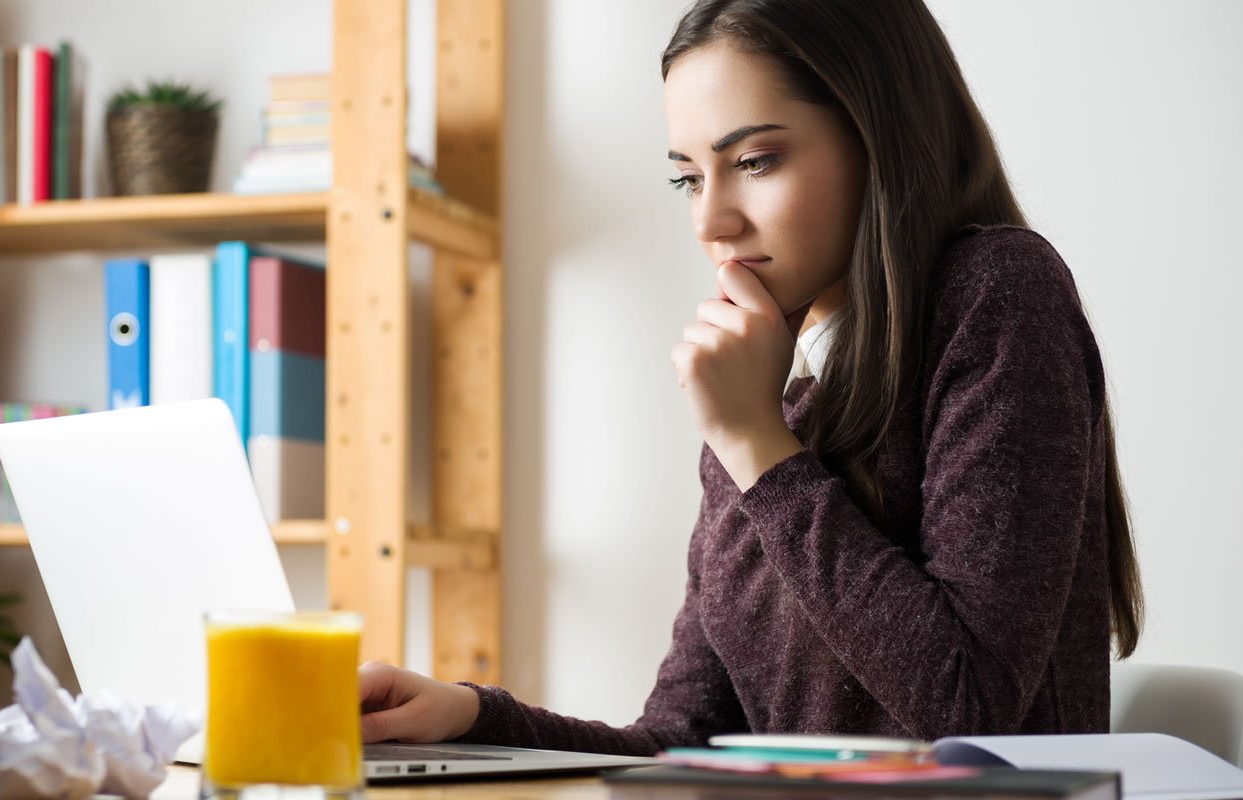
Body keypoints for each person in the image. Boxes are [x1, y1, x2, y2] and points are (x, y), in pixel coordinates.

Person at [357, 0, 1144, 754]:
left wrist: (758, 446)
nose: (710, 221)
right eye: (689, 177)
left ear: (880, 136)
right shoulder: (766, 395)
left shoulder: (998, 293)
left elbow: (972, 708)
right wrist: (469, 716)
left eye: (756, 161)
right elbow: (675, 743)